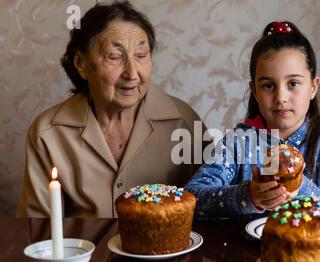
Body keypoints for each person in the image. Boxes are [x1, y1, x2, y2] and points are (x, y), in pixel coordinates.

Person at [17, 1, 203, 218]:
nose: (132, 73)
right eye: (114, 57)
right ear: (81, 64)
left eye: (141, 55)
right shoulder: (48, 134)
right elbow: (35, 230)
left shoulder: (185, 123)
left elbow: (208, 212)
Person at [185, 21, 320, 221]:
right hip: (246, 251)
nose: (280, 97)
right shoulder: (240, 142)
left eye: (293, 83)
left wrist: (300, 188)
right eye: (268, 86)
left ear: (313, 87)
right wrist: (247, 195)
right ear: (255, 91)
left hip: (310, 251)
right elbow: (192, 198)